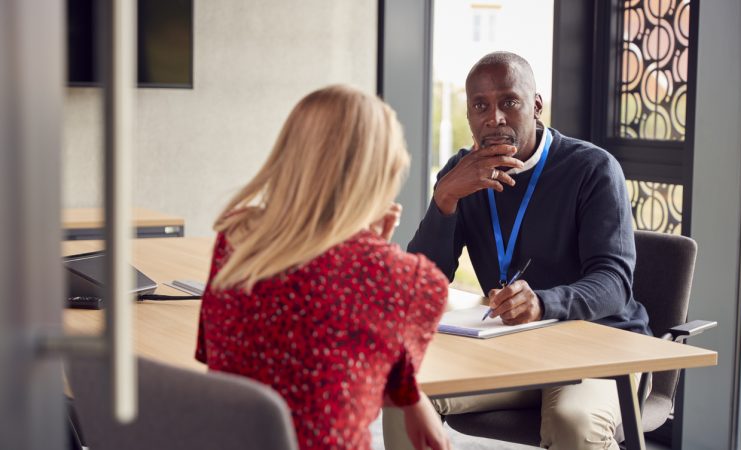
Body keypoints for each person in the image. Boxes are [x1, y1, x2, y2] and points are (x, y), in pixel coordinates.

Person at [383, 52, 652, 450]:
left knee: (572, 422)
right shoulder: (461, 175)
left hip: (598, 349)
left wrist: (544, 303)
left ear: (536, 106)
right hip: (511, 350)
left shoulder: (593, 168)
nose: (495, 118)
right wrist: (444, 199)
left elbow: (614, 284)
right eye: (480, 106)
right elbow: (422, 284)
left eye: (509, 101)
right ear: (470, 115)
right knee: (403, 391)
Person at [195, 85, 451, 450]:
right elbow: (384, 387)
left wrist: (368, 245)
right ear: (386, 171)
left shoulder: (237, 238)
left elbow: (223, 357)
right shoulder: (412, 281)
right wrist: (376, 250)